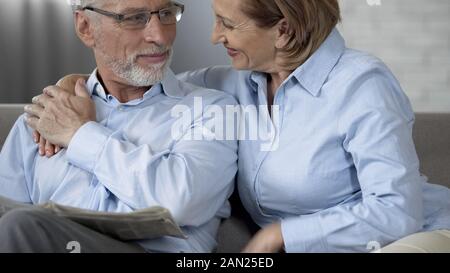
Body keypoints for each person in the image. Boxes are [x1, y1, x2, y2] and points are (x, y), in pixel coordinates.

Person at [35, 0, 450, 252]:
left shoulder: (361, 83)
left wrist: (282, 236)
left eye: (229, 24)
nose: (215, 36)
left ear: (283, 31)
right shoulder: (234, 83)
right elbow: (137, 77)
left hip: (413, 239)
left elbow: (397, 212)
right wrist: (71, 90)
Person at [0, 0, 239, 253]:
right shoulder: (44, 117)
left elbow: (181, 201)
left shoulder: (212, 110)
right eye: (135, 18)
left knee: (21, 225)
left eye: (167, 13)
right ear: (85, 27)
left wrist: (80, 134)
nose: (159, 36)